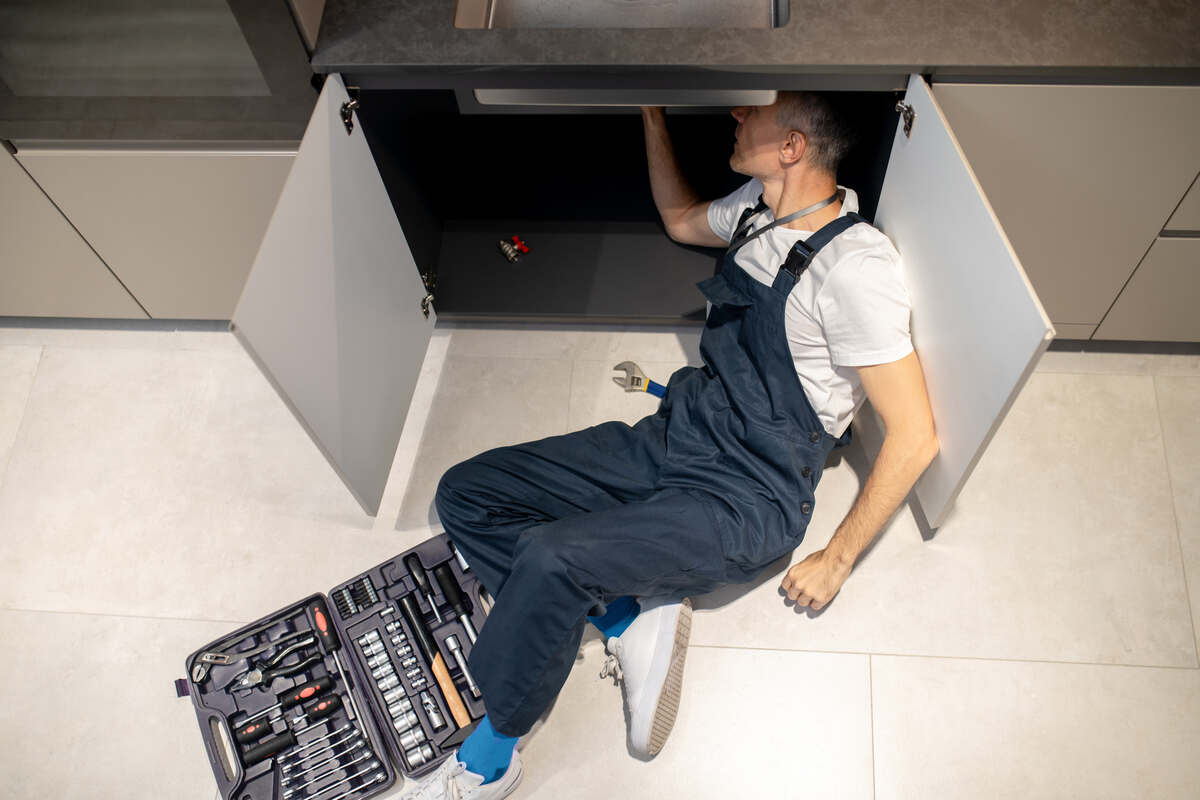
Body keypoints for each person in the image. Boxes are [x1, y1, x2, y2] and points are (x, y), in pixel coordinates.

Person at [399, 93, 939, 800]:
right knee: (465, 491)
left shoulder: (857, 266)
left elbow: (917, 434)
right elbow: (679, 217)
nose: (738, 115)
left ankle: (490, 760)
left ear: (794, 147)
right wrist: (650, 109)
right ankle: (625, 616)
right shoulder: (757, 206)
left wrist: (835, 561)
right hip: (677, 435)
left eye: (758, 114)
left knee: (551, 558)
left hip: (749, 494)